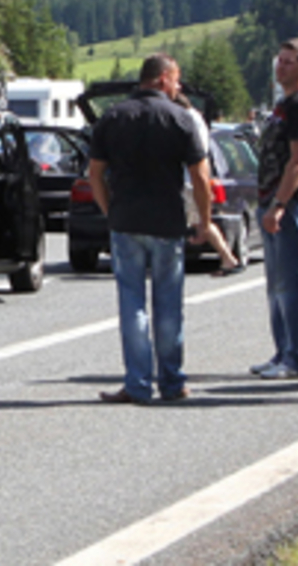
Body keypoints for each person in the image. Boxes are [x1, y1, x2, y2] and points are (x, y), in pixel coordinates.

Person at [86, 54, 212, 404]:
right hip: (167, 222)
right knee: (169, 304)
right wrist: (204, 219)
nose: (178, 87)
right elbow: (201, 176)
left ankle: (138, 383)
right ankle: (172, 381)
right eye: (176, 80)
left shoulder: (112, 116)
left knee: (132, 303)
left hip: (125, 220)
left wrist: (109, 210)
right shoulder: (180, 118)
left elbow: (94, 174)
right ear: (160, 80)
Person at [252, 38, 298, 381]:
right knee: (276, 285)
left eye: (288, 62)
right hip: (271, 199)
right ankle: (283, 351)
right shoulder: (285, 103)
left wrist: (280, 204)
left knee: (293, 283)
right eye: (279, 61)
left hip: (291, 204)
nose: (280, 67)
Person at [172, 94, 240, 277]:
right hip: (195, 177)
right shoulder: (196, 117)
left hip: (190, 179)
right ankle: (227, 257)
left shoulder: (188, 119)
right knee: (201, 221)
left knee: (201, 221)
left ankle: (228, 258)